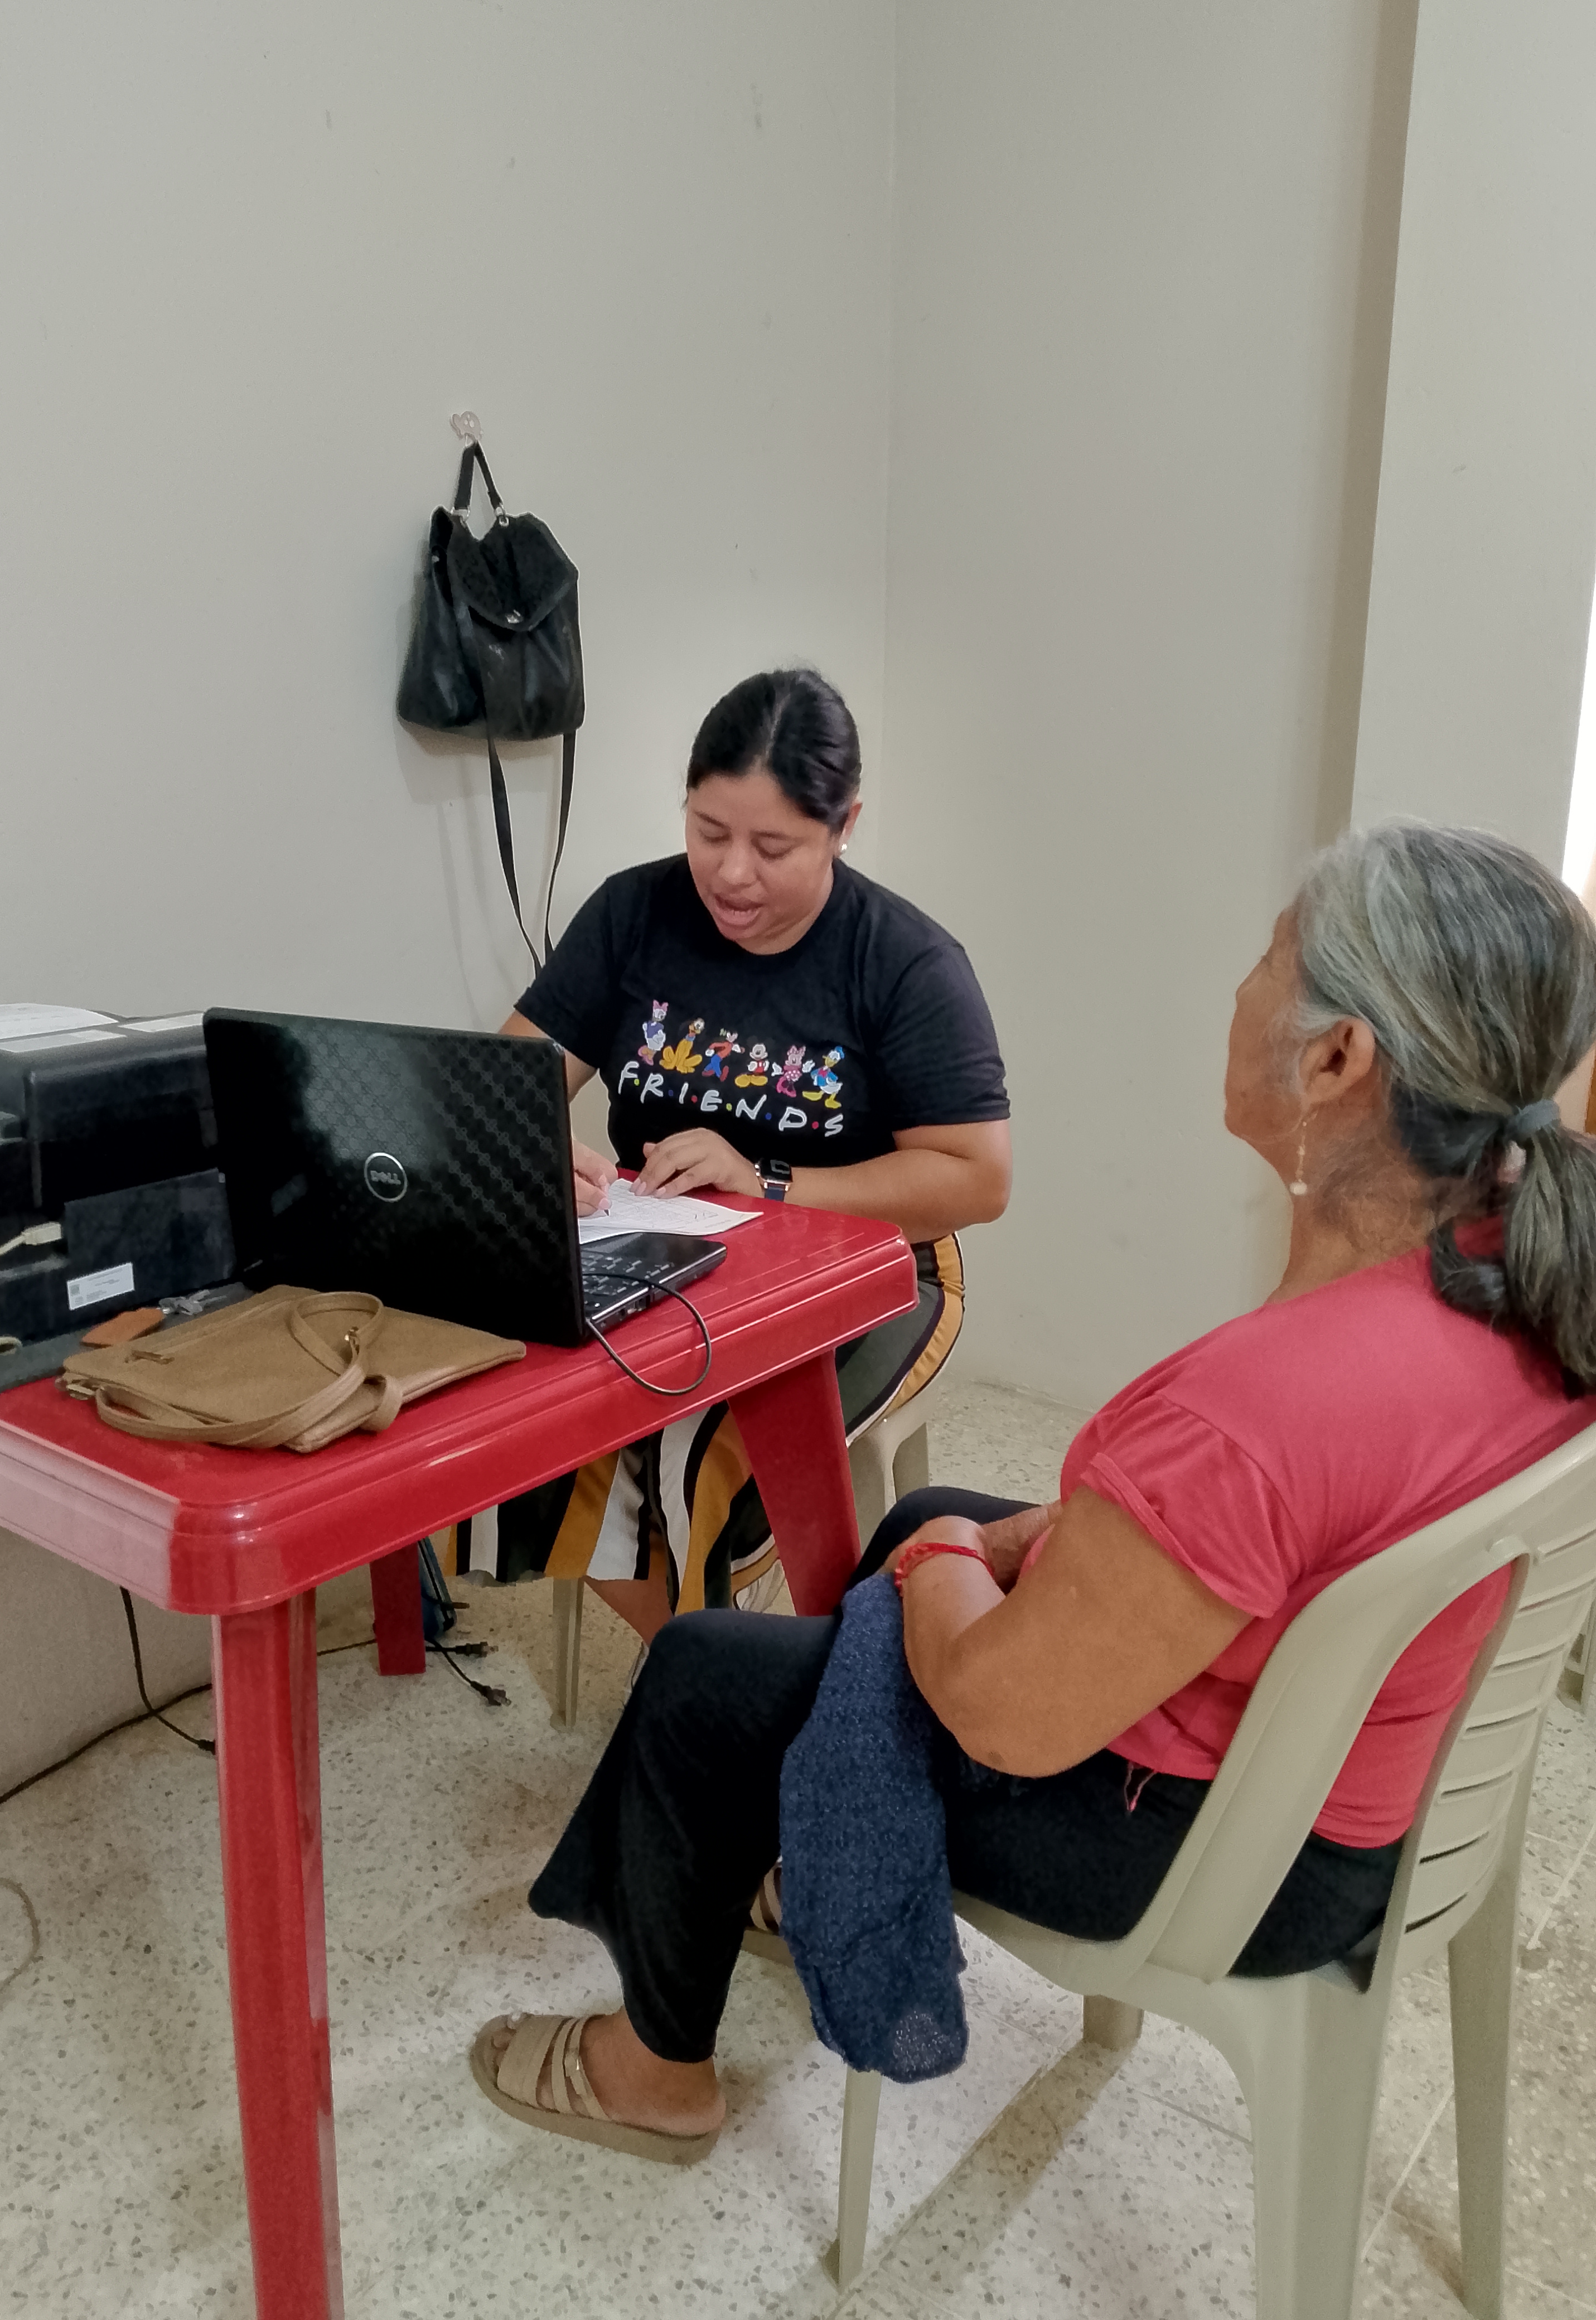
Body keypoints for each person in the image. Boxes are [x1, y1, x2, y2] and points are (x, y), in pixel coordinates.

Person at [471, 821, 1596, 2160]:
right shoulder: (1522, 1281)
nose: (1244, 986)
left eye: (1271, 957)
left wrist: (950, 1554)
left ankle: (653, 2070)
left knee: (708, 1675)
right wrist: (977, 1542)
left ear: (1338, 1059)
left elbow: (1001, 1715)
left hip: (1220, 1852)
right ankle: (799, 1853)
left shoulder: (1258, 1411)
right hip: (1335, 1779)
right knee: (901, 1523)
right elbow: (1278, 1527)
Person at [478, 668, 1011, 1640]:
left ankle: (735, 1679)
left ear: (844, 825)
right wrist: (532, 1149)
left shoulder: (904, 962)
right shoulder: (635, 914)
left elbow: (976, 1178)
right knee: (514, 1415)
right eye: (708, 832)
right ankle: (698, 1668)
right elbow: (500, 1086)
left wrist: (770, 1180)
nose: (730, 874)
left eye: (773, 848)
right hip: (660, 1257)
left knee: (694, 1458)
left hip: (871, 1274)